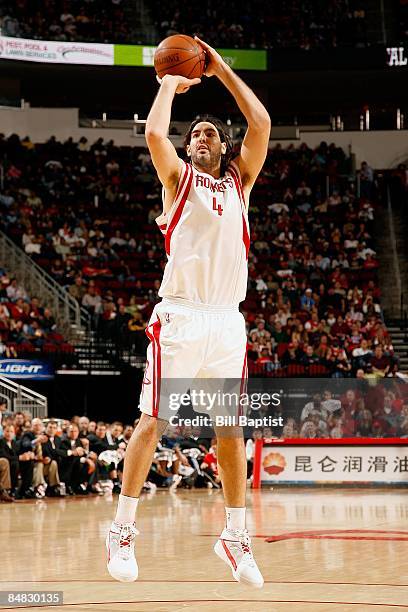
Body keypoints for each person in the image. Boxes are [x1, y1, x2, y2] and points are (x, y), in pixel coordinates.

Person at [106, 36, 270, 588]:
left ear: (224, 149)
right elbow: (156, 133)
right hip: (179, 316)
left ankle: (235, 536)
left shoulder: (239, 183)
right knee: (153, 420)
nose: (199, 138)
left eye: (209, 134)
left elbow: (262, 121)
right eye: (193, 134)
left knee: (231, 432)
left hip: (227, 322)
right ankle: (122, 530)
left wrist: (219, 67)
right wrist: (170, 84)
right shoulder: (178, 181)